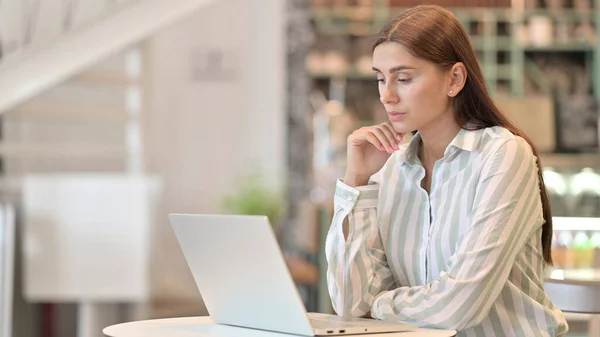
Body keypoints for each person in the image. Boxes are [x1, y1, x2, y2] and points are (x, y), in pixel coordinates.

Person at [325, 5, 568, 337]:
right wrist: (357, 182)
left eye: (404, 78)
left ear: (454, 78)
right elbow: (349, 303)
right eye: (381, 78)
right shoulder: (392, 168)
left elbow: (460, 305)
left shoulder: (503, 155)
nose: (387, 95)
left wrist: (378, 306)